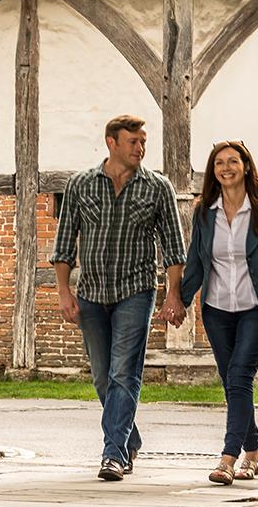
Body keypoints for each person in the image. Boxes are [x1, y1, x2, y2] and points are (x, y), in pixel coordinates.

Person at [50, 114, 187, 481]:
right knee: (102, 377)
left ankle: (113, 455)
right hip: (92, 293)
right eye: (133, 141)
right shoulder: (80, 185)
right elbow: (64, 245)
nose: (140, 148)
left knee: (124, 372)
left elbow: (174, 249)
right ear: (111, 142)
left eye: (143, 141)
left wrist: (173, 295)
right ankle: (129, 439)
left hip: (135, 291)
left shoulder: (158, 188)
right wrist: (64, 291)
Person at [163, 140, 258, 485]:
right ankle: (254, 453)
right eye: (218, 163)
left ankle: (228, 458)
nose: (225, 168)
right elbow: (196, 261)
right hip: (217, 309)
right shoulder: (205, 212)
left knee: (238, 378)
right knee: (232, 382)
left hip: (257, 307)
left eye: (232, 161)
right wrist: (181, 299)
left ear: (246, 167)